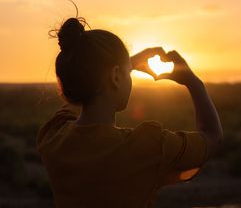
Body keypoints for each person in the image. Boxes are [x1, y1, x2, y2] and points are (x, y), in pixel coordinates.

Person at [36, 17, 223, 208]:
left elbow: (80, 93)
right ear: (116, 76)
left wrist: (122, 65)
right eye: (127, 72)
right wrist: (194, 83)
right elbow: (212, 137)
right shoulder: (148, 147)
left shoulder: (53, 138)